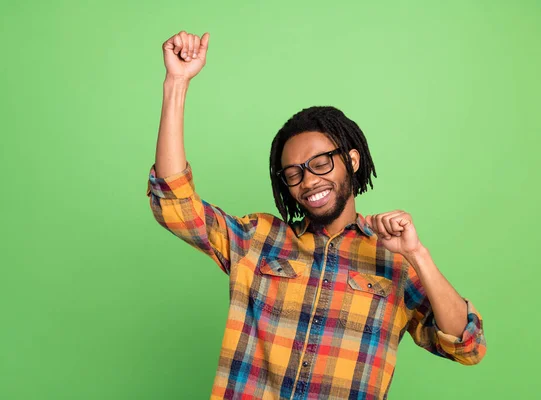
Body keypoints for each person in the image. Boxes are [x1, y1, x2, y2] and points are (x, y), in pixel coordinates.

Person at [146, 30, 487, 400]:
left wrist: (418, 256)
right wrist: (176, 83)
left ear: (352, 161)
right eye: (294, 173)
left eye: (320, 164)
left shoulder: (396, 261)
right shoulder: (257, 239)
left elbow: (466, 345)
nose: (309, 181)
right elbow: (174, 205)